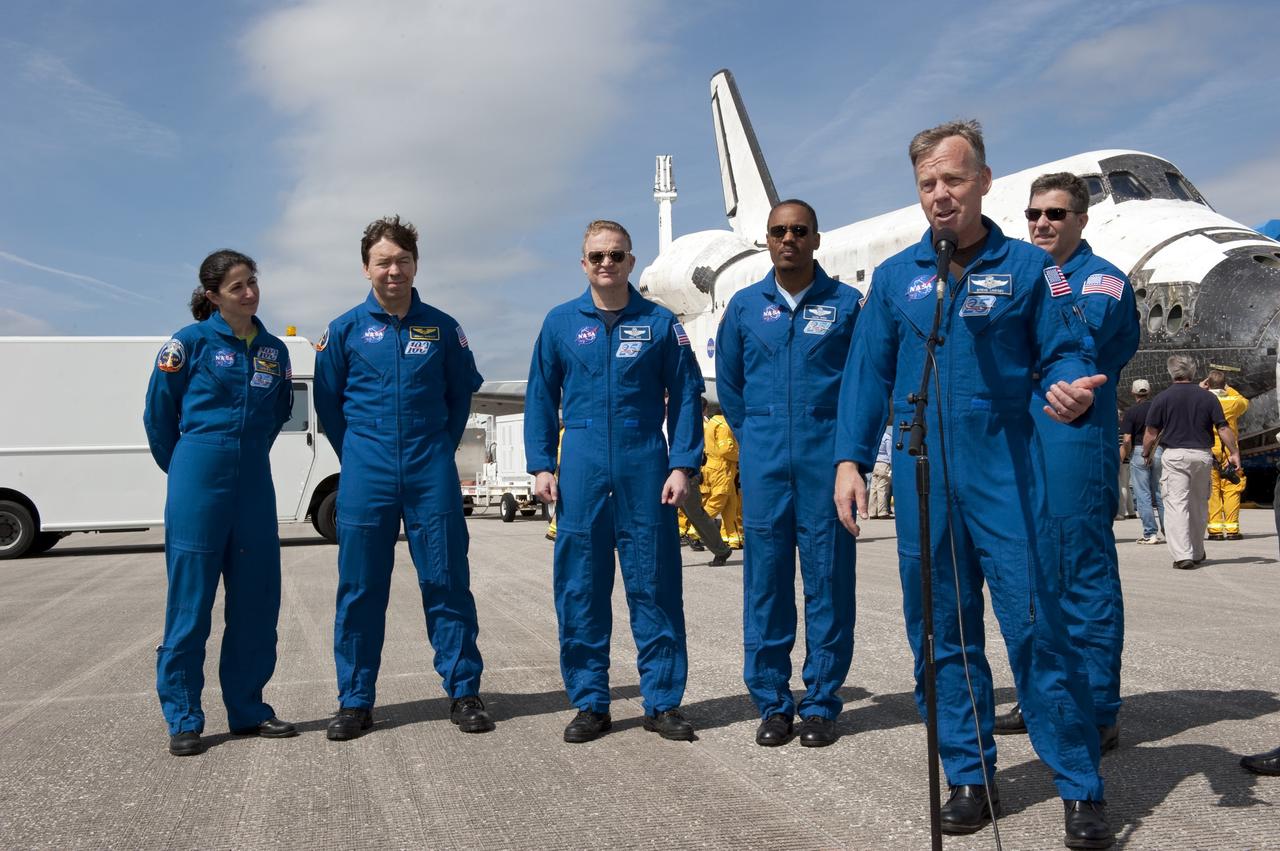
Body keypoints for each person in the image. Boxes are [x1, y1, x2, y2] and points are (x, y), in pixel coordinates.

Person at [833, 120, 1114, 848]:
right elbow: (867, 374)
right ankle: (969, 773)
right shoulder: (896, 278)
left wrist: (1067, 386)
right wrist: (848, 460)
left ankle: (1079, 786)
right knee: (940, 636)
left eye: (953, 180)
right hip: (926, 478)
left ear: (985, 181)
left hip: (1005, 475)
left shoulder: (1029, 268)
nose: (940, 194)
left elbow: (1064, 350)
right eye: (928, 183)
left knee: (1036, 632)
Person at [525, 220, 704, 743]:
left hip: (644, 458)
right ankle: (590, 702)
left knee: (655, 584)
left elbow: (687, 393)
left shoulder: (660, 323)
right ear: (583, 263)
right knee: (580, 588)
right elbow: (540, 396)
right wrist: (540, 465)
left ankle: (663, 701)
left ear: (631, 261)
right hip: (580, 461)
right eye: (597, 256)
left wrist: (683, 463)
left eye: (616, 255)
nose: (607, 263)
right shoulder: (559, 324)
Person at [314, 215, 492, 740]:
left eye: (403, 260)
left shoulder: (442, 328)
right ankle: (355, 700)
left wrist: (437, 447)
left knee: (446, 580)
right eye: (383, 261)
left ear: (416, 264)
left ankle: (464, 691)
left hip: (428, 465)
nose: (393, 270)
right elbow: (329, 404)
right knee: (361, 587)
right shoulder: (344, 331)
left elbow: (460, 396)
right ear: (366, 267)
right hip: (366, 467)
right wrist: (359, 454)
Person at [993, 172, 1140, 758]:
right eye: (1033, 215)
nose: (1042, 224)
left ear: (1081, 220)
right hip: (1021, 443)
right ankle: (1045, 698)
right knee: (1030, 578)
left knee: (1081, 572)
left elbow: (1067, 351)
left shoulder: (1101, 282)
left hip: (1074, 442)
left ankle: (1097, 707)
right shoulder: (1024, 280)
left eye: (1055, 214)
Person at [716, 199, 861, 748]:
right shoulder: (745, 308)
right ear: (767, 240)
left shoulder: (847, 305)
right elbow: (730, 385)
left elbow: (862, 381)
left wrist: (851, 453)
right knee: (767, 585)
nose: (789, 239)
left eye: (800, 230)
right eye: (779, 231)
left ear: (816, 239)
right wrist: (755, 437)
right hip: (766, 461)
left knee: (828, 582)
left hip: (827, 463)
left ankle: (821, 703)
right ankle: (774, 702)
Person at [144, 249, 297, 757]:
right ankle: (184, 715)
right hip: (198, 477)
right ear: (212, 296)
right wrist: (191, 467)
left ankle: (249, 709)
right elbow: (159, 418)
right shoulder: (186, 345)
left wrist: (243, 455)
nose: (250, 292)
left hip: (253, 477)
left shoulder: (275, 349)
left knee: (257, 600)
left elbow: (277, 413)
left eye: (252, 281)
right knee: (190, 603)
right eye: (237, 287)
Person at [1141, 355, 1240, 570]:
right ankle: (1196, 550)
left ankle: (1182, 555)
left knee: (1176, 505)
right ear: (1193, 373)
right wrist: (1234, 453)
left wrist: (1146, 452)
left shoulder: (1163, 398)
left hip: (1175, 455)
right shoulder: (1207, 398)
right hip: (1202, 455)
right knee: (1198, 504)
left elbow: (1151, 431)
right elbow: (1223, 428)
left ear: (1171, 373)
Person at [1204, 370, 1248, 540]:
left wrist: (1203, 388)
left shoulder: (1203, 400)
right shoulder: (1233, 401)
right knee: (1231, 490)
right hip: (1229, 451)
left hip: (1209, 450)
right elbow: (1245, 402)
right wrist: (1229, 389)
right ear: (1224, 385)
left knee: (1213, 492)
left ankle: (1215, 531)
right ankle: (1231, 530)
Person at [1121, 380, 1164, 543]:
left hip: (1139, 452)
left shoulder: (1131, 412)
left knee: (1142, 494)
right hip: (1158, 450)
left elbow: (1126, 439)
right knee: (1161, 493)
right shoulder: (1158, 409)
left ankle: (1150, 533)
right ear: (1149, 391)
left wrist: (1124, 455)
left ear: (1133, 393)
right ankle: (1169, 529)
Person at [703, 403, 743, 549]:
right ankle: (696, 529)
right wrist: (742, 456)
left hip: (719, 468)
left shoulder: (713, 421)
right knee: (717, 502)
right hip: (722, 469)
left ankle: (732, 538)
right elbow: (726, 450)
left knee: (730, 506)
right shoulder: (724, 425)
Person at [868, 426, 894, 519]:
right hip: (884, 464)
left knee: (873, 489)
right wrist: (892, 467)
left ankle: (872, 512)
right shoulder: (887, 438)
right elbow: (890, 454)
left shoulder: (875, 438)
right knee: (882, 489)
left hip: (875, 464)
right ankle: (882, 512)